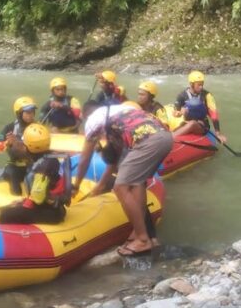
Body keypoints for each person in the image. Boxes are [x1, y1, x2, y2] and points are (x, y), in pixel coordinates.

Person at [73, 100, 172, 255]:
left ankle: (142, 239)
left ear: (85, 115)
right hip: (166, 137)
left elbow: (85, 158)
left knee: (120, 187)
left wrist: (76, 185)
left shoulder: (93, 120)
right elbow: (116, 162)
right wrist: (100, 185)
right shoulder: (120, 113)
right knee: (137, 183)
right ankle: (143, 234)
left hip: (147, 142)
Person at [0, 124, 71, 225]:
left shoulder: (41, 168)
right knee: (15, 207)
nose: (23, 145)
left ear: (29, 147)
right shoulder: (46, 157)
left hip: (50, 212)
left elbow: (38, 199)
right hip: (53, 207)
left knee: (4, 215)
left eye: (24, 144)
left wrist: (23, 204)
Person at [0, 96, 37, 196]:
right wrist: (7, 143)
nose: (31, 115)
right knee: (13, 178)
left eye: (32, 112)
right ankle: (16, 198)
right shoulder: (9, 128)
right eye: (27, 112)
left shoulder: (38, 127)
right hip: (15, 165)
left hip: (33, 165)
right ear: (19, 113)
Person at [172, 71, 226, 143]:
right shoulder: (182, 95)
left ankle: (169, 139)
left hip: (202, 125)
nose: (201, 87)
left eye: (202, 84)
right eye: (199, 85)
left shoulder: (207, 95)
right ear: (191, 84)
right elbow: (175, 112)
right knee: (186, 125)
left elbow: (214, 115)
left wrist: (218, 134)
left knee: (193, 123)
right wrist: (180, 113)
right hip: (186, 123)